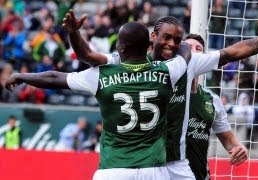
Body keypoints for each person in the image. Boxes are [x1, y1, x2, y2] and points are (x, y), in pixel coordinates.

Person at [61, 9, 258, 179]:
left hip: (176, 164)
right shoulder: (127, 61)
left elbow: (234, 52)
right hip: (143, 164)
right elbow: (88, 57)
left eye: (178, 41)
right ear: (153, 37)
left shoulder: (190, 67)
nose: (173, 45)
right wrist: (74, 33)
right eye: (167, 38)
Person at [6, 21, 191, 180]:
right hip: (154, 170)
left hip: (114, 169)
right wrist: (172, 44)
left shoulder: (102, 76)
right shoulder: (167, 72)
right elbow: (185, 52)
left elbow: (53, 78)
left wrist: (21, 76)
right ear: (147, 46)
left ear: (122, 48)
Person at [184, 34, 247, 180]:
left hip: (200, 175)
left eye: (198, 48)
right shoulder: (167, 91)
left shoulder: (212, 99)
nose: (193, 52)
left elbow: (230, 141)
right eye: (188, 48)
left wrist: (240, 149)